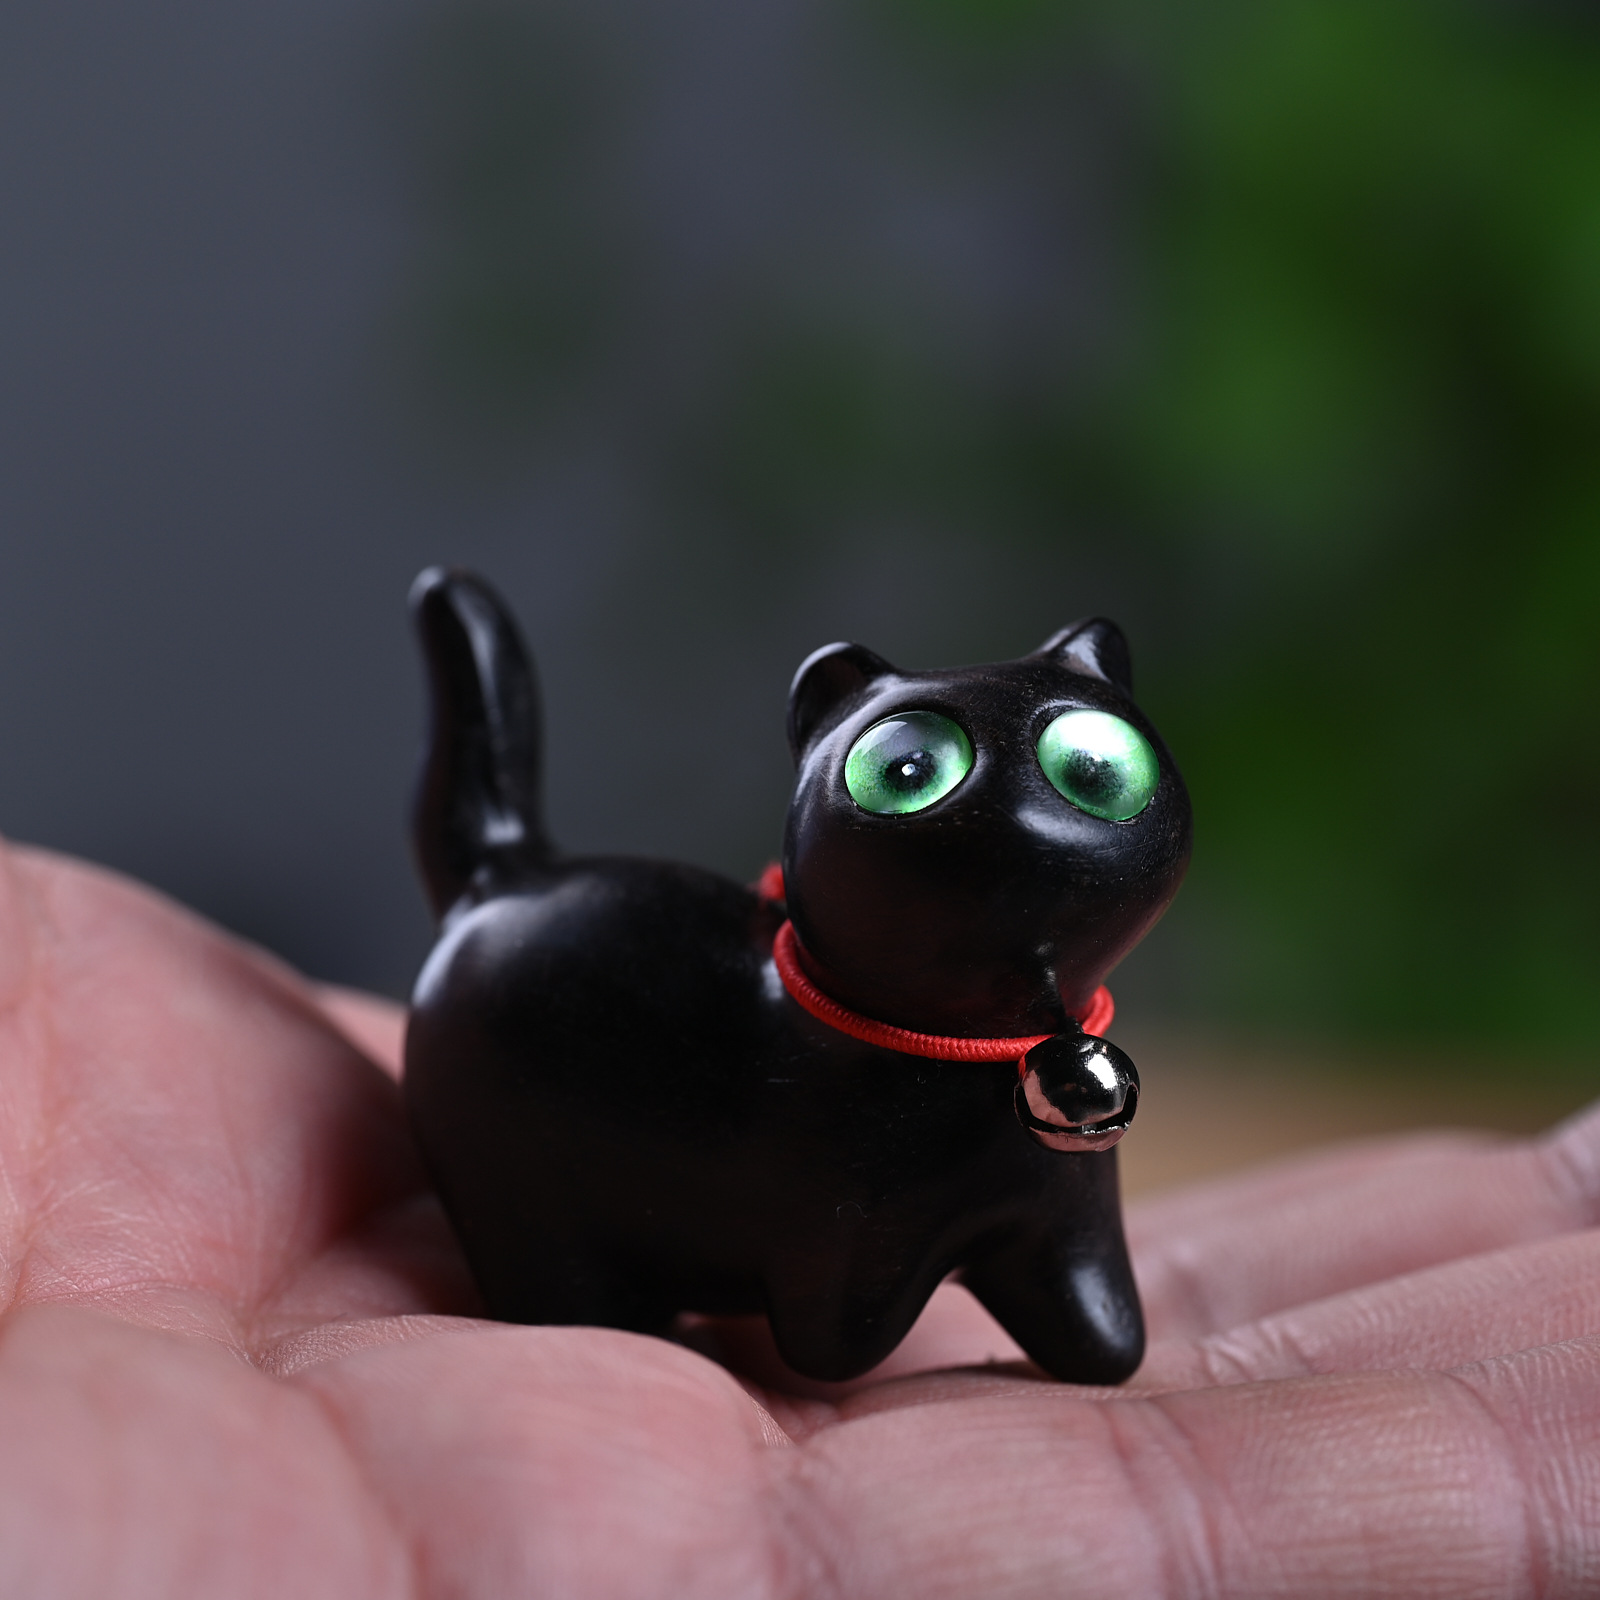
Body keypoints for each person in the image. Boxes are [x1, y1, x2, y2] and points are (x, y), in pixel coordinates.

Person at [1, 838, 1595, 1597]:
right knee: (618, 1270)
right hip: (523, 1043)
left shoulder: (1054, 1066)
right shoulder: (830, 1067)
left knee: (1064, 1258)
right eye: (912, 775)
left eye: (1089, 780)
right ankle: (579, 1264)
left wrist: (1071, 1285)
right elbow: (831, 1333)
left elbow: (1062, 1243)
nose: (1031, 828)